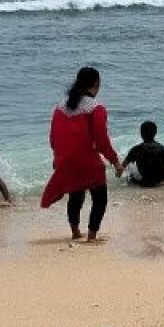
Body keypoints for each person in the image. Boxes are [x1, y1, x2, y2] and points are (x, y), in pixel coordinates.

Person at [40, 66, 124, 241]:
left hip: (65, 161)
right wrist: (115, 161)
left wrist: (58, 160)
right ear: (96, 84)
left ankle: (75, 232)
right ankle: (92, 236)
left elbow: (53, 139)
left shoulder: (59, 108)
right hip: (87, 161)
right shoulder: (96, 108)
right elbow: (102, 141)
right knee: (99, 198)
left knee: (76, 196)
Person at [121, 120, 164, 187]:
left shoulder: (136, 149)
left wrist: (118, 175)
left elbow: (122, 167)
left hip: (144, 182)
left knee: (130, 172)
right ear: (155, 133)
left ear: (141, 133)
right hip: (160, 181)